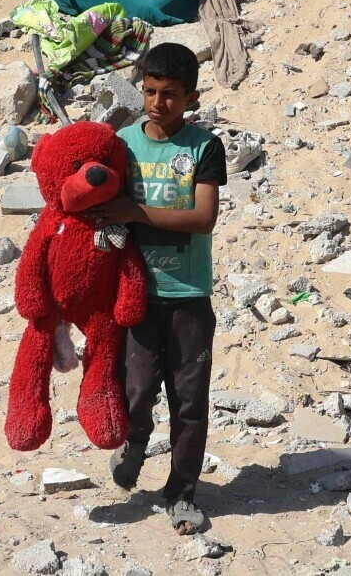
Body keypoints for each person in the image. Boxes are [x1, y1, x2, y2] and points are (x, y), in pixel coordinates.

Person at [88, 42, 226, 535]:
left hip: (187, 293)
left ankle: (182, 493)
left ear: (189, 96)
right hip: (135, 293)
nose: (157, 103)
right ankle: (136, 443)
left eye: (169, 94)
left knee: (188, 400)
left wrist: (135, 213)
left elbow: (202, 218)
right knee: (137, 388)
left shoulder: (203, 148)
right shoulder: (123, 143)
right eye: (149, 91)